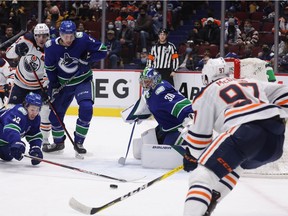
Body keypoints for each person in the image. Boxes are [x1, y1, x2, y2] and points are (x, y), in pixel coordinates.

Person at [179, 57, 288, 216]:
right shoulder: (249, 82)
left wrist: (191, 155)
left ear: (206, 77)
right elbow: (284, 93)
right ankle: (209, 203)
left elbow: (199, 143)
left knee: (201, 176)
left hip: (246, 133)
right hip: (275, 141)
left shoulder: (207, 92)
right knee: (235, 164)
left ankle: (198, 207)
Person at [43, 20, 107, 154]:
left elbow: (103, 50)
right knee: (54, 117)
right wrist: (54, 84)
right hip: (63, 84)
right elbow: (50, 68)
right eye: (66, 36)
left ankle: (79, 141)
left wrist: (88, 58)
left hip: (82, 80)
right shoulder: (50, 46)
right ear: (60, 34)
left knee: (86, 107)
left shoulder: (82, 39)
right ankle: (59, 143)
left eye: (71, 36)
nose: (69, 39)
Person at [5, 23, 51, 147]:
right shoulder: (26, 39)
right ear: (34, 35)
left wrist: (47, 87)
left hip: (39, 86)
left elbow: (51, 70)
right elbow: (9, 54)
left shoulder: (52, 48)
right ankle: (6, 138)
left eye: (44, 36)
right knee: (10, 110)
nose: (41, 39)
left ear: (49, 35)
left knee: (45, 110)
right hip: (20, 83)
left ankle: (44, 141)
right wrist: (17, 50)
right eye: (39, 36)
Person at [0, 92, 43, 166]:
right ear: (26, 106)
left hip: (3, 141)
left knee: (8, 155)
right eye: (32, 109)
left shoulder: (36, 118)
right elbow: (11, 129)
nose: (35, 113)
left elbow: (34, 134)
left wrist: (35, 148)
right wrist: (16, 141)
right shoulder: (18, 113)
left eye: (37, 110)